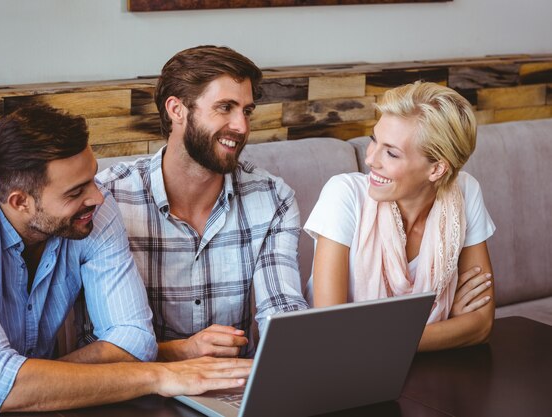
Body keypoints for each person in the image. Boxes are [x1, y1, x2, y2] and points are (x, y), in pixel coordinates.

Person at [0, 105, 251, 413]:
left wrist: (19, 384)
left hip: (43, 406)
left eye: (92, 178)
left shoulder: (94, 211)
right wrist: (159, 376)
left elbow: (135, 340)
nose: (97, 196)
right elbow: (0, 385)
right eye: (75, 191)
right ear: (20, 201)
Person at [95, 45, 308, 360]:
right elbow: (97, 340)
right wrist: (181, 351)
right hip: (136, 388)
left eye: (246, 110)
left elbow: (281, 309)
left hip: (232, 386)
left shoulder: (273, 198)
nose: (242, 126)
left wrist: (297, 349)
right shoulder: (109, 198)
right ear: (177, 110)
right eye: (225, 107)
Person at [305, 81, 496, 351]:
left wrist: (380, 340)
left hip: (429, 370)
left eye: (391, 153)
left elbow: (481, 325)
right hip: (341, 377)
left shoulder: (464, 193)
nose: (371, 159)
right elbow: (332, 334)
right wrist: (449, 323)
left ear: (437, 169)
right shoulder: (344, 195)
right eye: (374, 140)